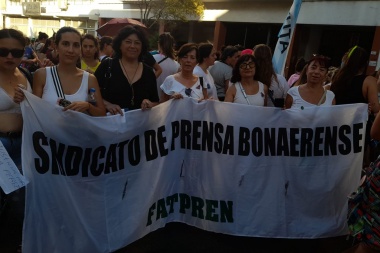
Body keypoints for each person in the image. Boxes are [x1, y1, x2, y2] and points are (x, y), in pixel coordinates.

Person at [0, 28, 33, 252]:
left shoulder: (26, 76)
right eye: (3, 51)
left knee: (20, 199)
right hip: (0, 145)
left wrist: (28, 101)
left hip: (22, 144)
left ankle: (15, 244)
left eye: (16, 52)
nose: (10, 56)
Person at [33, 27, 106, 116]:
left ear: (80, 49)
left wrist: (88, 106)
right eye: (65, 44)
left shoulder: (90, 79)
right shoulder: (42, 75)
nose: (70, 50)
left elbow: (102, 114)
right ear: (56, 47)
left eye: (76, 45)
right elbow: (34, 112)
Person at [331, 46, 380, 167]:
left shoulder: (337, 79)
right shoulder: (369, 81)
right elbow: (375, 109)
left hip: (337, 128)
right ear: (365, 63)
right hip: (358, 132)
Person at [94, 25, 159, 114]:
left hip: (140, 126)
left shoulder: (149, 72)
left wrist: (150, 104)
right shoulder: (107, 66)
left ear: (142, 47)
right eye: (128, 42)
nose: (132, 46)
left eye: (137, 43)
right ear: (120, 45)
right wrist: (107, 105)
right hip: (110, 125)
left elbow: (156, 102)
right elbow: (91, 93)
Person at [153, 33, 180, 98]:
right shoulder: (176, 65)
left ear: (159, 44)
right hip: (166, 101)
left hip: (151, 99)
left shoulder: (153, 59)